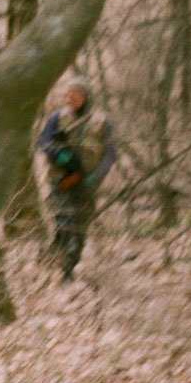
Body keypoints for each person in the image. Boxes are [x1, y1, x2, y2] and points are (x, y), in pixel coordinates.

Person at [37, 78, 116, 283]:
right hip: (61, 180)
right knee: (62, 222)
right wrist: (57, 154)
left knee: (80, 229)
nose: (70, 99)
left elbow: (109, 153)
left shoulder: (102, 122)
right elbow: (43, 141)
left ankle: (70, 267)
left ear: (86, 96)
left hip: (86, 183)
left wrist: (96, 176)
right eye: (68, 95)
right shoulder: (57, 118)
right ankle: (62, 266)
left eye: (75, 95)